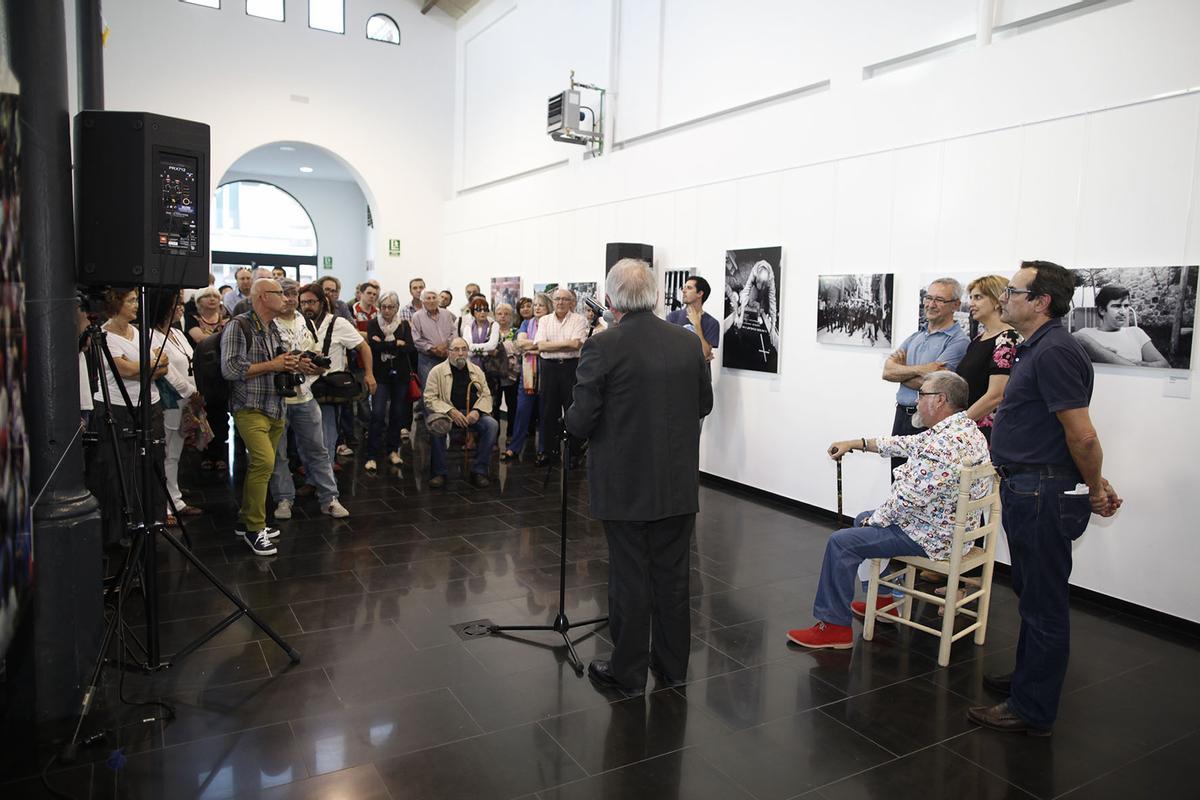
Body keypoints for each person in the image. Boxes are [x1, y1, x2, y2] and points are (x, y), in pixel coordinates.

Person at [967, 260, 1122, 736]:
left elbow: (1083, 435)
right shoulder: (1039, 348)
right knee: (1031, 593)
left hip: (1041, 490)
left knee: (1044, 602)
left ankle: (1032, 708)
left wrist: (1095, 486)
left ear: (1040, 302)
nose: (1005, 297)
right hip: (1029, 485)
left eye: (1014, 291)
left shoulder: (1054, 351)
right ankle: (1027, 680)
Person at [565, 258, 713, 697]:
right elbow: (703, 404)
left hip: (624, 485)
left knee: (629, 579)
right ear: (653, 297)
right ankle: (673, 668)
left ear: (610, 301)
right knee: (673, 578)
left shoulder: (603, 345)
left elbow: (581, 420)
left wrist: (570, 420)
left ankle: (627, 673)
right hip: (676, 484)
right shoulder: (688, 343)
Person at [221, 278, 303, 556]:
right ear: (262, 297)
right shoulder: (238, 325)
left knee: (262, 466)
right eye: (279, 293)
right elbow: (230, 368)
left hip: (276, 406)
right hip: (250, 407)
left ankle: (246, 521)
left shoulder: (271, 328)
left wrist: (293, 363)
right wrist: (275, 364)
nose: (286, 298)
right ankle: (256, 529)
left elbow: (277, 363)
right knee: (263, 463)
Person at [85, 288, 167, 550]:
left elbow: (162, 364)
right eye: (131, 300)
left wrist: (146, 367)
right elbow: (128, 371)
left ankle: (152, 521)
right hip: (118, 410)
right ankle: (124, 529)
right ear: (116, 303)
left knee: (152, 463)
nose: (136, 305)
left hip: (149, 405)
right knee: (122, 469)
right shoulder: (105, 335)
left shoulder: (140, 332)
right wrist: (150, 365)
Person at [267, 280, 349, 521]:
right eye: (284, 294)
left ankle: (329, 498)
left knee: (319, 449)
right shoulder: (268, 324)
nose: (290, 299)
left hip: (305, 394)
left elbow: (313, 352)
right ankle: (284, 499)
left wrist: (316, 363)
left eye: (293, 294)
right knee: (279, 453)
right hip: (276, 397)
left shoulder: (307, 322)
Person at [881, 278, 970, 475]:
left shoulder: (959, 342)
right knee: (898, 478)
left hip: (928, 421)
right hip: (902, 415)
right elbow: (887, 372)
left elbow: (934, 386)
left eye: (939, 299)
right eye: (928, 298)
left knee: (920, 484)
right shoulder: (916, 336)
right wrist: (923, 369)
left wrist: (903, 372)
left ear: (955, 305)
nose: (931, 304)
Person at [298, 283, 376, 467]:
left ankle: (327, 489)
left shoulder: (338, 323)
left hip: (328, 389)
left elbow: (363, 346)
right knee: (306, 441)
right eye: (303, 303)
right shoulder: (299, 323)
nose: (307, 306)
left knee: (326, 439)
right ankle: (313, 481)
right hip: (302, 389)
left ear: (322, 303)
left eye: (311, 302)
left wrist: (369, 374)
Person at [149, 289, 202, 525]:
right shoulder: (150, 335)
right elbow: (168, 373)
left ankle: (175, 500)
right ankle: (164, 507)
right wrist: (191, 392)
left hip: (186, 401)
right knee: (167, 453)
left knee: (175, 454)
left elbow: (191, 363)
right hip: (169, 400)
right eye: (176, 304)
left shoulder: (176, 333)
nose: (181, 308)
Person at [424, 337, 498, 488]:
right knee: (437, 424)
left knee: (492, 425)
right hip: (446, 414)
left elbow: (486, 395)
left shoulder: (476, 371)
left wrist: (477, 411)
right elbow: (429, 398)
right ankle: (439, 472)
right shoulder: (436, 372)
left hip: (472, 413)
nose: (460, 353)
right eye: (456, 350)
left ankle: (479, 470)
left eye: (464, 349)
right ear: (449, 352)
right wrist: (450, 411)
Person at [956, 275, 1020, 442]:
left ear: (997, 300)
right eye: (971, 298)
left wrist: (958, 425)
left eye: (978, 297)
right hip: (971, 429)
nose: (971, 304)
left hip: (989, 434)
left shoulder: (1007, 338)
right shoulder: (978, 339)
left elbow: (996, 395)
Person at [534, 287, 589, 466]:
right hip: (549, 368)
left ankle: (574, 453)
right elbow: (541, 346)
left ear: (572, 302)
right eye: (557, 299)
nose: (560, 302)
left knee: (572, 409)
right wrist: (564, 344)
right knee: (548, 410)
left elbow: (575, 345)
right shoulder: (544, 320)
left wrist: (552, 345)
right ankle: (547, 452)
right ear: (553, 301)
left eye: (565, 299)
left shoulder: (579, 320)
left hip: (571, 368)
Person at [364, 291, 413, 471]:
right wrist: (395, 344)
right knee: (377, 414)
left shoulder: (405, 325)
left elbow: (409, 347)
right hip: (380, 375)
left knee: (397, 414)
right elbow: (373, 346)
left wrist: (386, 343)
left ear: (397, 308)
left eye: (390, 307)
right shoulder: (373, 324)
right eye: (383, 306)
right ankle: (371, 455)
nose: (386, 310)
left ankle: (393, 450)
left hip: (400, 375)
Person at [185, 285, 231, 471]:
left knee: (221, 416)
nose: (212, 299)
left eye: (215, 296)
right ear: (198, 302)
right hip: (200, 374)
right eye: (207, 296)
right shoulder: (191, 319)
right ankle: (205, 454)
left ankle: (220, 455)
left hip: (222, 373)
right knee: (204, 414)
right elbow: (200, 339)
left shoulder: (228, 318)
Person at [1073, 284, 1170, 368]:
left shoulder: (1136, 333)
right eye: (1117, 306)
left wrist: (1139, 365)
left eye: (1126, 306)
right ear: (1102, 310)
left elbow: (1165, 365)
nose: (1123, 312)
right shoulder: (1085, 334)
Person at [504, 293, 549, 461]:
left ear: (548, 308)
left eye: (540, 305)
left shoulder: (551, 323)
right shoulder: (526, 323)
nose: (536, 308)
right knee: (522, 411)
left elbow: (548, 346)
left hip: (547, 373)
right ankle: (514, 447)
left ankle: (543, 450)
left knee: (544, 413)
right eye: (535, 305)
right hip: (528, 373)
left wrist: (538, 347)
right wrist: (541, 347)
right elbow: (521, 343)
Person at [666, 276, 720, 364]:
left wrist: (697, 326)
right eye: (684, 287)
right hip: (676, 374)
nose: (683, 290)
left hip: (699, 376)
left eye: (689, 288)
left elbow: (705, 354)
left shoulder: (712, 323)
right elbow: (666, 349)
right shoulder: (672, 317)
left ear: (700, 293)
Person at [411, 289, 457, 389]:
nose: (432, 301)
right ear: (423, 301)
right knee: (429, 390)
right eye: (428, 298)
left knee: (447, 388)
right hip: (427, 360)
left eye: (434, 298)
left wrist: (445, 346)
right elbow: (416, 339)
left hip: (447, 357)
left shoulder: (446, 314)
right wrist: (434, 349)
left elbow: (454, 332)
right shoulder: (417, 316)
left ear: (438, 300)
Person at [493, 303, 519, 454]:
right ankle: (494, 437)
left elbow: (518, 349)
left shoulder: (516, 332)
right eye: (500, 313)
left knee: (512, 405)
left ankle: (510, 434)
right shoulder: (492, 332)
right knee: (495, 406)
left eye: (506, 314)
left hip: (511, 375)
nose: (503, 316)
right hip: (495, 374)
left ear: (511, 316)